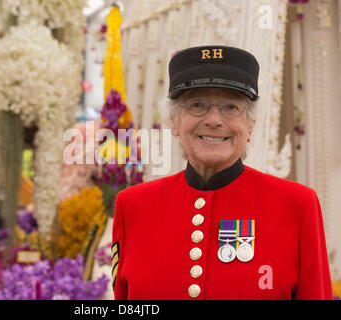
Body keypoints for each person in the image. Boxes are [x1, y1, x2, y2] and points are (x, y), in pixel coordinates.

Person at [111, 45, 333, 300]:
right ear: (174, 121)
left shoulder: (296, 204)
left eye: (230, 107)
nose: (214, 120)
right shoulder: (133, 206)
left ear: (249, 124)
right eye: (197, 105)